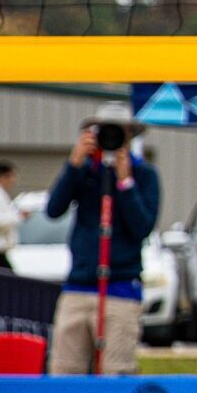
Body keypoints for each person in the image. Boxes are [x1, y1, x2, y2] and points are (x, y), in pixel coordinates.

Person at [46, 102, 161, 375]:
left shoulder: (144, 174)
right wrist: (74, 166)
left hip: (120, 289)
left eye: (119, 132)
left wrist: (125, 184)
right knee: (65, 369)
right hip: (79, 285)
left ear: (130, 136)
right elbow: (53, 209)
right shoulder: (85, 170)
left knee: (116, 371)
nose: (112, 139)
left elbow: (142, 226)